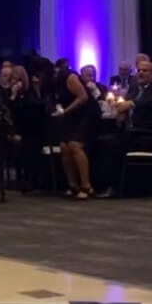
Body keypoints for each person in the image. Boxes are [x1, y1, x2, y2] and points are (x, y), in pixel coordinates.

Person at [50, 62, 97, 200]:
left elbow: (83, 97)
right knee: (64, 147)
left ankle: (86, 186)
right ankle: (72, 184)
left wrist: (65, 111)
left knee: (75, 145)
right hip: (70, 115)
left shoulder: (69, 77)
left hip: (85, 113)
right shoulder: (52, 84)